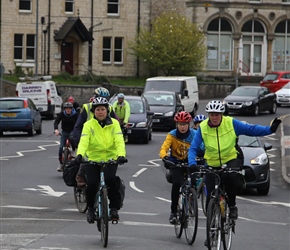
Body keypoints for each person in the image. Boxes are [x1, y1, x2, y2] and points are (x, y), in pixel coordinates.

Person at [188, 100, 282, 221]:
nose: (214, 117)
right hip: (211, 162)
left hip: (230, 159)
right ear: (208, 115)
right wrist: (192, 163)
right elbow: (193, 148)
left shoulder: (231, 123)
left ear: (222, 114)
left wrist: (270, 130)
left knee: (230, 177)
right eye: (212, 114)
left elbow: (251, 129)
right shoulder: (203, 127)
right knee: (210, 198)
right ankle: (211, 233)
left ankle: (232, 206)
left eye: (217, 114)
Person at [73, 97, 127, 223]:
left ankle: (114, 209)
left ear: (107, 110)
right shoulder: (88, 125)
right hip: (93, 159)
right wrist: (80, 154)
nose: (100, 112)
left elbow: (119, 141)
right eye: (98, 109)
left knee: (111, 182)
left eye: (103, 109)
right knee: (91, 184)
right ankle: (91, 209)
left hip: (110, 158)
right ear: (94, 111)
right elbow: (84, 142)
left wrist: (121, 155)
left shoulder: (114, 124)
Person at [159, 111, 204, 224]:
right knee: (177, 183)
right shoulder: (172, 134)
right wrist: (165, 158)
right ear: (176, 124)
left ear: (189, 124)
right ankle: (173, 212)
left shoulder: (194, 134)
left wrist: (203, 155)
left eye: (185, 124)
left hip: (191, 162)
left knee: (194, 182)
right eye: (180, 124)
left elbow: (203, 147)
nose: (182, 127)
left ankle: (191, 201)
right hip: (176, 163)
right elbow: (163, 148)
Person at [54, 102, 79, 172]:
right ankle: (61, 164)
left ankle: (74, 150)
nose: (68, 110)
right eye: (66, 109)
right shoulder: (62, 114)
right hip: (64, 131)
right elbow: (56, 121)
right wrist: (56, 129)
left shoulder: (76, 115)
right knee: (61, 148)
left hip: (72, 131)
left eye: (69, 109)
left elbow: (79, 123)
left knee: (72, 138)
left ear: (72, 109)